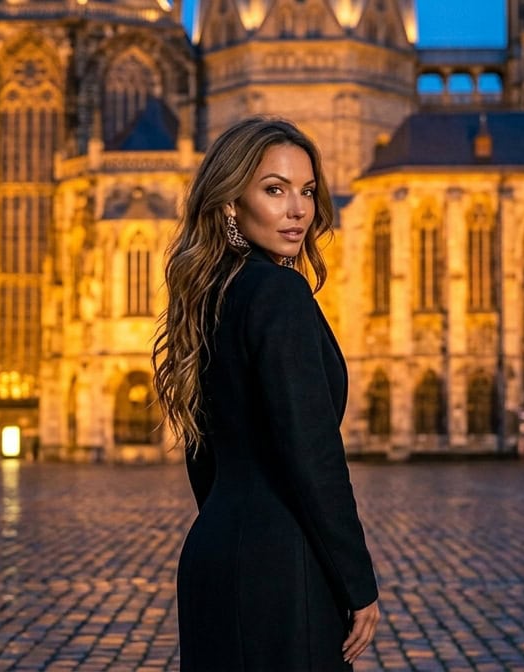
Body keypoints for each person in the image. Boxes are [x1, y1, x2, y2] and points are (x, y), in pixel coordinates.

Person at [153, 117, 380, 670]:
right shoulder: (278, 292)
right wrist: (357, 581)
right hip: (281, 565)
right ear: (230, 202)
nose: (298, 209)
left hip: (216, 553)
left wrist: (233, 524)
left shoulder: (210, 295)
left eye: (306, 191)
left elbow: (202, 452)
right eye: (274, 190)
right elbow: (312, 452)